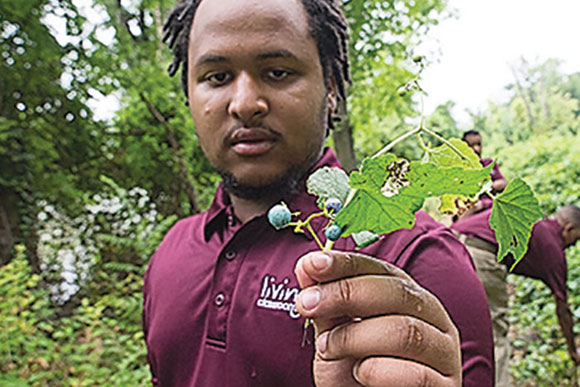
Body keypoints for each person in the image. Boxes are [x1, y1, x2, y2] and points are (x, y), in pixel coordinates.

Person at [142, 0, 494, 385]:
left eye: (277, 72)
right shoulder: (170, 254)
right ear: (189, 94)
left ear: (330, 88)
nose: (244, 104)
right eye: (217, 76)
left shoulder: (418, 261)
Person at [451, 205, 580, 386]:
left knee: (455, 322)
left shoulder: (531, 214)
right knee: (493, 334)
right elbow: (563, 310)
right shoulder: (553, 247)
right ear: (569, 228)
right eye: (576, 239)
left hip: (450, 244)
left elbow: (478, 207)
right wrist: (573, 352)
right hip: (481, 256)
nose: (573, 245)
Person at [458, 130, 507, 218]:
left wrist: (491, 186)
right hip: (470, 214)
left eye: (479, 144)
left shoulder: (488, 164)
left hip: (490, 209)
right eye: (471, 145)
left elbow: (503, 183)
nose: (476, 149)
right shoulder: (458, 169)